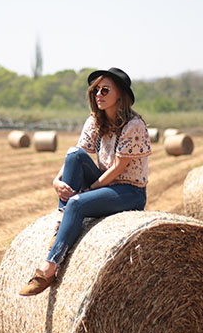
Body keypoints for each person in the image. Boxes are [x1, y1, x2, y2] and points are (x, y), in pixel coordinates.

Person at [19, 67, 152, 296]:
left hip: (130, 191)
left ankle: (50, 267)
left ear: (120, 95)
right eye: (95, 91)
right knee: (74, 155)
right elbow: (79, 152)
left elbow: (118, 168)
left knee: (78, 204)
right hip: (106, 184)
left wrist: (88, 191)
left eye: (105, 90)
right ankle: (61, 223)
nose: (98, 94)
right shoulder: (95, 121)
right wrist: (56, 181)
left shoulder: (134, 126)